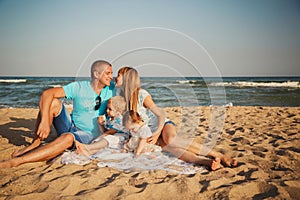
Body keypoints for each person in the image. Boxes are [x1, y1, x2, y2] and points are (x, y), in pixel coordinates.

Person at [115, 67, 237, 170]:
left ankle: (217, 154)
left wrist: (157, 133)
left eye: (118, 75)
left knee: (170, 140)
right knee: (171, 149)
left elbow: (161, 115)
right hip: (148, 133)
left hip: (161, 125)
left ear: (127, 78)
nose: (116, 77)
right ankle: (205, 162)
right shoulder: (122, 98)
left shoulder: (141, 94)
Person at [0, 60, 114, 168]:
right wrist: (45, 121)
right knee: (53, 103)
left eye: (111, 73)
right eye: (108, 73)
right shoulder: (79, 87)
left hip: (87, 135)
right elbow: (46, 94)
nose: (111, 76)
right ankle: (35, 144)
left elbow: (129, 87)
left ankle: (18, 161)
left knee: (68, 137)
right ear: (96, 74)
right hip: (69, 125)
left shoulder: (112, 89)